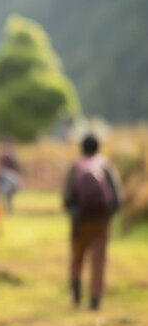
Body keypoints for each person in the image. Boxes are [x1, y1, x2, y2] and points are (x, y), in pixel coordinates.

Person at [62, 133, 122, 311]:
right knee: (98, 260)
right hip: (101, 219)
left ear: (81, 147)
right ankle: (94, 300)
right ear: (98, 147)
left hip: (80, 220)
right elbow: (117, 196)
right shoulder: (105, 165)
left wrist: (73, 212)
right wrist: (109, 214)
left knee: (77, 256)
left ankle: (76, 293)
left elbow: (67, 196)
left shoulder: (75, 166)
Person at [0, 136, 21, 214]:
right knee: (5, 196)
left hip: (9, 177)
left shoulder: (10, 156)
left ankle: (9, 210)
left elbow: (16, 167)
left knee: (8, 196)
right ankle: (6, 210)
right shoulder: (4, 155)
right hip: (5, 177)